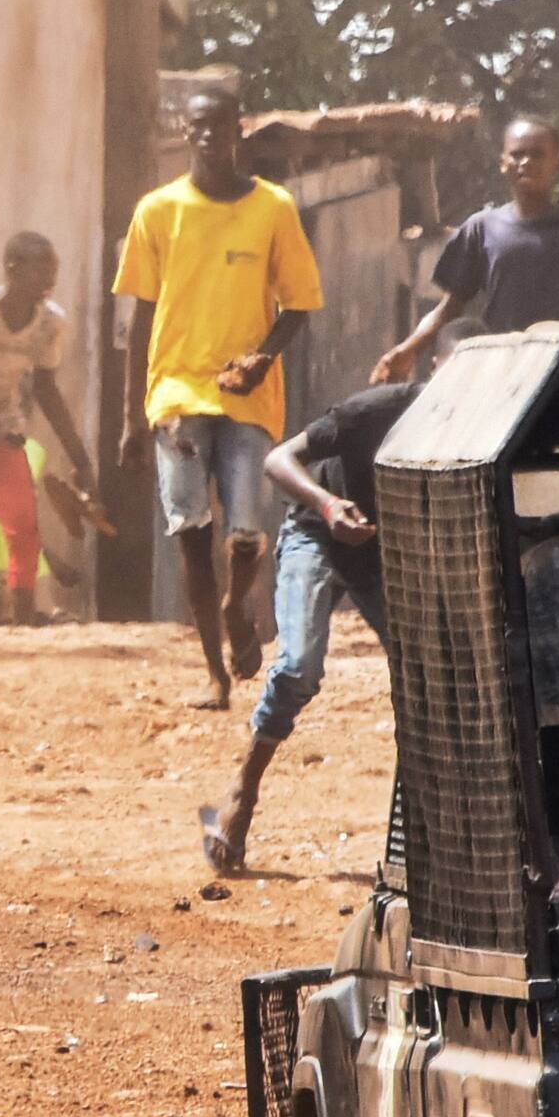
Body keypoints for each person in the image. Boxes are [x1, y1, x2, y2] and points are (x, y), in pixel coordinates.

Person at [115, 84, 324, 706]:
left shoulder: (273, 208)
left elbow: (299, 305)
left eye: (221, 124)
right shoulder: (157, 210)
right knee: (190, 532)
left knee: (245, 531)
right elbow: (140, 318)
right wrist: (132, 418)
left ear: (240, 130)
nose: (209, 135)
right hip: (176, 393)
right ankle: (214, 672)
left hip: (247, 396)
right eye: (198, 125)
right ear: (185, 132)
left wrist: (262, 358)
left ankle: (238, 604)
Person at [207, 375, 418, 876]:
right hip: (317, 532)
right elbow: (278, 459)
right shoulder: (377, 408)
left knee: (427, 681)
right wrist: (327, 504)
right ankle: (245, 790)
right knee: (299, 666)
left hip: (386, 555)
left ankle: (421, 837)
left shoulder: (483, 426)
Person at [379, 114, 559, 379]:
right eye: (517, 154)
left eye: (537, 155)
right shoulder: (481, 229)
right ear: (503, 163)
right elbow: (449, 307)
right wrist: (408, 350)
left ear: (557, 163)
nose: (526, 162)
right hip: (500, 371)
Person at [0, 230, 90, 623]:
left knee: (22, 525)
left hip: (0, 429)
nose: (49, 279)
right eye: (41, 269)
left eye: (53, 269)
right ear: (12, 269)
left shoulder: (49, 324)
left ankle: (24, 618)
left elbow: (46, 389)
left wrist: (80, 457)